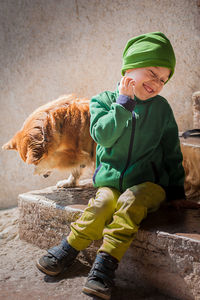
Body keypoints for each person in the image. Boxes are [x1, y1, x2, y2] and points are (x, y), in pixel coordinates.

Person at [36, 32, 189, 300]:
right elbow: (103, 136)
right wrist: (123, 104)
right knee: (103, 203)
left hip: (149, 185)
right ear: (129, 67)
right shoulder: (103, 102)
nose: (157, 83)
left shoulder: (162, 109)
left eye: (163, 79)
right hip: (111, 181)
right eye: (152, 72)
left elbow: (171, 152)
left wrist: (176, 193)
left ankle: (105, 264)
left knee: (132, 200)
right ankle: (70, 248)